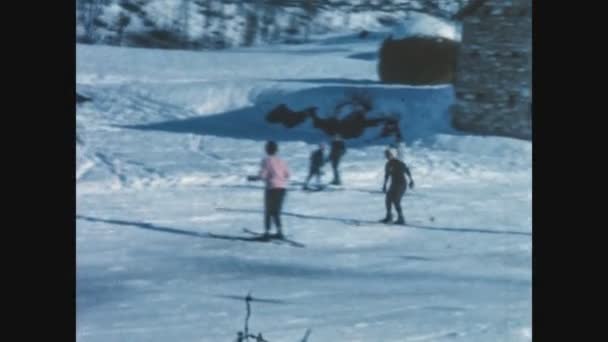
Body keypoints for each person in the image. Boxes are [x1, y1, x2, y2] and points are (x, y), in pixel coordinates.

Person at [247, 141, 290, 238]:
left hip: (271, 188)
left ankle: (267, 232)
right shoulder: (282, 161)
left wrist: (253, 178)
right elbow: (287, 174)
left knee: (268, 210)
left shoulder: (266, 160)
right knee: (276, 211)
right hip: (282, 188)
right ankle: (280, 231)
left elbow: (262, 175)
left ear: (266, 150)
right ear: (276, 150)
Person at [380, 147, 414, 225]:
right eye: (386, 154)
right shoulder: (388, 164)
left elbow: (407, 170)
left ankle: (401, 218)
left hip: (401, 184)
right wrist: (384, 185)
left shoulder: (398, 163)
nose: (387, 156)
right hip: (394, 184)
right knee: (388, 199)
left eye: (388, 154)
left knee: (396, 200)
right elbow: (387, 175)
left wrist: (411, 180)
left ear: (392, 155)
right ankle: (389, 216)